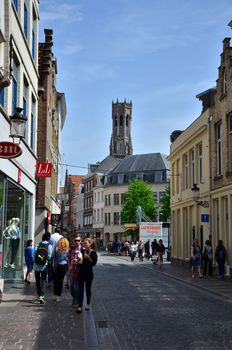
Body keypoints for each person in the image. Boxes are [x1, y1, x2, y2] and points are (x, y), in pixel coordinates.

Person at [77, 238, 97, 313]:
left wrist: (88, 258)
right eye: (83, 243)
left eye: (85, 243)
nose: (83, 244)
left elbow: (94, 263)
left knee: (88, 289)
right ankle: (80, 306)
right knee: (81, 289)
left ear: (90, 244)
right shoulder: (82, 251)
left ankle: (88, 304)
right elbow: (80, 262)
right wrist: (78, 260)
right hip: (81, 273)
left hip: (89, 274)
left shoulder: (93, 253)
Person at [34, 233, 53, 304]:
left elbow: (34, 254)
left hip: (36, 266)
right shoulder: (49, 246)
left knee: (38, 281)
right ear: (48, 238)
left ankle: (39, 295)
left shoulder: (37, 245)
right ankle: (42, 296)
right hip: (44, 266)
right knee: (44, 280)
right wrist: (46, 261)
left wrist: (35, 261)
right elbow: (49, 256)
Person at [68, 236, 83, 308]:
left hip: (78, 270)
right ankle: (74, 298)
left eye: (78, 240)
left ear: (80, 241)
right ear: (73, 241)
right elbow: (68, 258)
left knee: (77, 287)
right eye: (76, 240)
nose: (77, 242)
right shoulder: (71, 249)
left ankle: (77, 300)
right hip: (71, 270)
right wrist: (69, 266)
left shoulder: (82, 249)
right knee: (71, 287)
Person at [53, 237, 70, 302]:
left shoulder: (56, 249)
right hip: (64, 265)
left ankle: (55, 295)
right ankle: (58, 296)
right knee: (60, 281)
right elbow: (67, 258)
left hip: (57, 265)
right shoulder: (67, 250)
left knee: (55, 281)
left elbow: (54, 257)